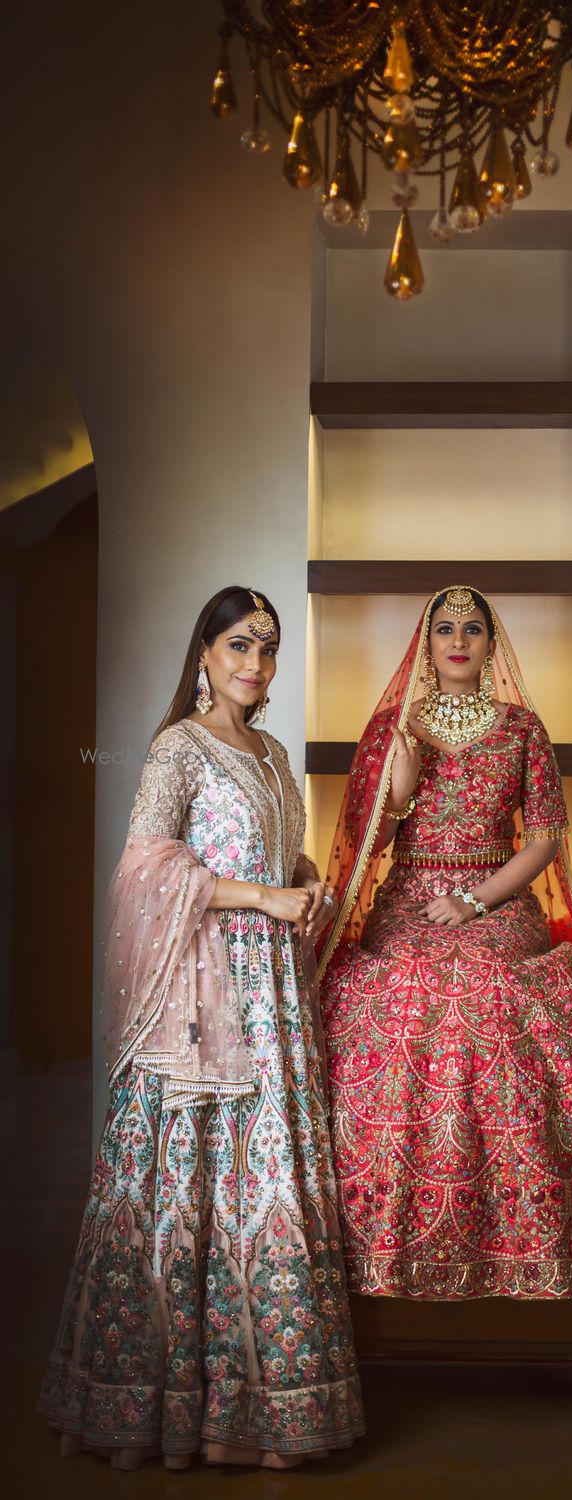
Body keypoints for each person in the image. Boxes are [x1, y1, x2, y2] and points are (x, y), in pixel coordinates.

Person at [39, 586, 364, 1470]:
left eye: (267, 648)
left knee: (265, 1179)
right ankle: (165, 1409)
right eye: (237, 647)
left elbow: (274, 855)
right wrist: (262, 895)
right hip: (200, 996)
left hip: (272, 993)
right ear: (204, 656)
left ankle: (267, 1414)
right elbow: (144, 873)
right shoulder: (176, 750)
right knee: (186, 1182)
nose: (254, 665)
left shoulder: (272, 753)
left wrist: (300, 878)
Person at [317, 585, 572, 1300]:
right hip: (408, 896)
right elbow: (364, 843)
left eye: (474, 628)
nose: (459, 640)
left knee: (486, 977)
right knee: (406, 976)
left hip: (497, 897)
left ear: (492, 643)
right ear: (426, 641)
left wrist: (477, 898)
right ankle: (386, 1234)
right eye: (445, 628)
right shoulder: (394, 729)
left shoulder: (521, 727)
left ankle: (514, 1230)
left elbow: (544, 840)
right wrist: (401, 791)